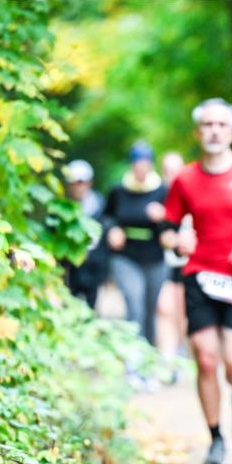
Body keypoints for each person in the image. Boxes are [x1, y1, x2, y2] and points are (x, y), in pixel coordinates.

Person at [160, 98, 232, 464]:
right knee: (206, 360)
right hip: (199, 274)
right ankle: (215, 437)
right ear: (198, 132)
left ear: (231, 132)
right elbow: (165, 229)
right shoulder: (185, 178)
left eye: (221, 125)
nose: (214, 130)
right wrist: (177, 241)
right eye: (207, 125)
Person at [103, 141, 169, 346]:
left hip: (155, 258)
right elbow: (105, 216)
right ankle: (133, 359)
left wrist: (163, 218)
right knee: (134, 304)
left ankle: (148, 357)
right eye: (137, 162)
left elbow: (175, 224)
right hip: (126, 257)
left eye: (145, 162)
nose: (141, 167)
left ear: (151, 165)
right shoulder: (119, 190)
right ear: (131, 164)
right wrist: (112, 229)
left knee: (150, 309)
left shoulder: (162, 191)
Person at [155, 151, 189, 376]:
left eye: (175, 170)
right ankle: (167, 357)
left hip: (187, 262)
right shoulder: (157, 196)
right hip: (162, 261)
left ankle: (180, 353)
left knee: (182, 310)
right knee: (165, 308)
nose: (172, 175)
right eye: (167, 171)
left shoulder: (191, 193)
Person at [62, 159, 107, 309]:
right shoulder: (61, 208)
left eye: (82, 182)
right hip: (70, 268)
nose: (79, 187)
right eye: (75, 183)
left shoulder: (101, 206)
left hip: (93, 267)